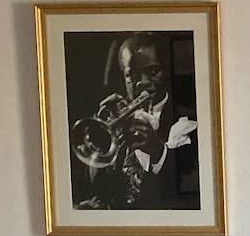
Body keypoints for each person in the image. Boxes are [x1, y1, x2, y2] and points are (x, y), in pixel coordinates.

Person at [71, 33, 198, 209]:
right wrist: (101, 143)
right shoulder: (113, 118)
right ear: (123, 76)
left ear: (166, 70)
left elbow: (192, 192)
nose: (143, 82)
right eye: (133, 75)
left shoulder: (190, 120)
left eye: (153, 71)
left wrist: (159, 151)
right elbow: (90, 188)